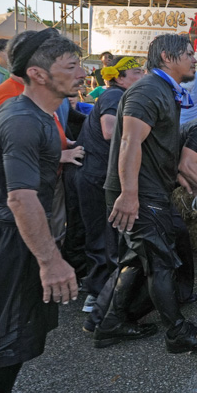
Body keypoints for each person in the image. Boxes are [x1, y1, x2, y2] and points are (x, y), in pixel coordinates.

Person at [0, 28, 83, 393]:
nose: (82, 73)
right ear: (37, 73)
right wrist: (51, 260)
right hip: (6, 241)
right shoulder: (19, 120)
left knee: (16, 332)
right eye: (70, 67)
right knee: (1, 336)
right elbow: (19, 198)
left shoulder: (40, 115)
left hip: (18, 239)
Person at [93, 34, 197, 354]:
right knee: (160, 263)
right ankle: (176, 331)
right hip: (141, 193)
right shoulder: (148, 90)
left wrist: (175, 176)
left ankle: (111, 322)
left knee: (136, 260)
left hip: (149, 188)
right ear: (167, 58)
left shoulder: (161, 89)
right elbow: (129, 143)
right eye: (188, 54)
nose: (194, 59)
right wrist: (130, 194)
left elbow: (155, 144)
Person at [76, 57, 145, 313]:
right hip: (96, 176)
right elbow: (109, 130)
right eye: (136, 72)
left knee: (108, 235)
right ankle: (96, 296)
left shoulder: (121, 95)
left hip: (101, 175)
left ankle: (104, 292)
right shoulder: (115, 95)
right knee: (101, 236)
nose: (142, 76)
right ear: (119, 77)